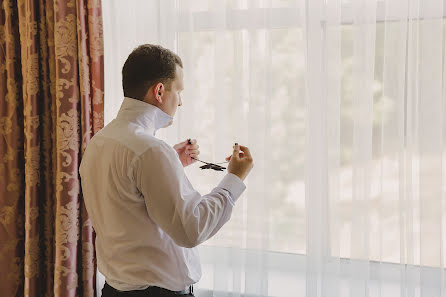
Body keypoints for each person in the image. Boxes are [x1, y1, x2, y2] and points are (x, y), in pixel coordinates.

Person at [79, 44, 254, 297]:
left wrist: (172, 161)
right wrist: (234, 179)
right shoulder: (150, 151)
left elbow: (128, 198)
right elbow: (190, 230)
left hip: (114, 290)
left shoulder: (100, 142)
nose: (180, 102)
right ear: (159, 91)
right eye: (179, 91)